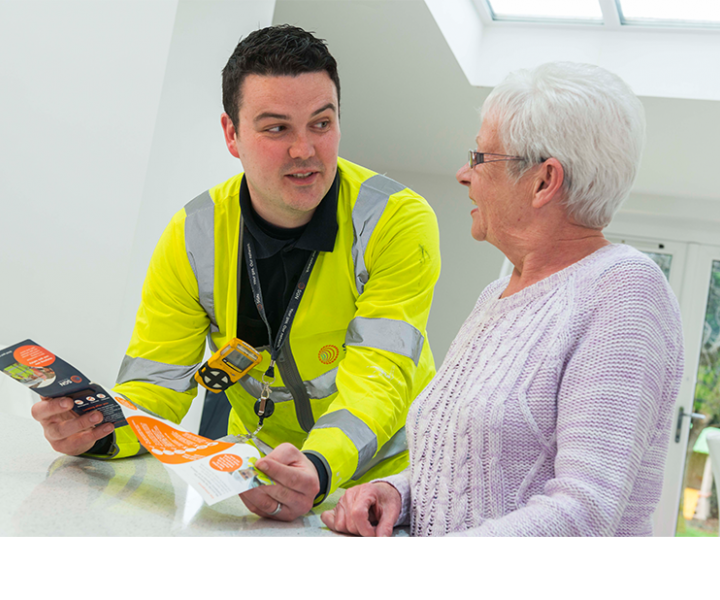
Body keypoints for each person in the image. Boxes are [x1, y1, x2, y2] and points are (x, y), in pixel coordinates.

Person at [31, 25, 441, 522]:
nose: (304, 150)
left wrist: (318, 466)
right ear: (232, 134)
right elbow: (154, 389)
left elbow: (380, 376)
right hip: (266, 485)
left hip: (395, 483)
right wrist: (97, 432)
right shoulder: (192, 233)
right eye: (276, 128)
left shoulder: (396, 220)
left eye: (321, 123)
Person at [321, 62, 685, 537]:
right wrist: (397, 493)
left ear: (543, 181)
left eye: (480, 157)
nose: (462, 174)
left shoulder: (624, 292)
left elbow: (584, 510)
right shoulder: (497, 293)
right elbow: (468, 471)